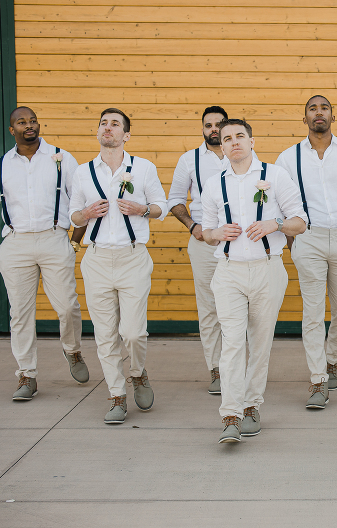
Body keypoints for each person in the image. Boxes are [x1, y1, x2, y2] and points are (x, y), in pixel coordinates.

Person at [202, 118, 307, 444]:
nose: (234, 142)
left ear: (251, 141)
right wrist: (217, 233)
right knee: (233, 343)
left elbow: (301, 221)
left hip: (267, 268)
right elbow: (206, 232)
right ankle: (230, 415)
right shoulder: (214, 184)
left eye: (239, 136)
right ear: (221, 146)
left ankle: (252, 406)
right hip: (229, 271)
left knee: (260, 343)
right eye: (227, 138)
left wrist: (275, 224)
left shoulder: (275, 176)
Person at [69, 108, 168, 424]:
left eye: (115, 124)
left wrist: (141, 209)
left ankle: (137, 373)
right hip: (97, 258)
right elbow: (73, 215)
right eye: (103, 123)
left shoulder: (143, 168)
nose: (107, 128)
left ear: (126, 135)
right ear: (98, 132)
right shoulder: (83, 172)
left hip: (132, 257)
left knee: (133, 332)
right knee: (104, 334)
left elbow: (161, 207)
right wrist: (85, 214)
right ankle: (116, 395)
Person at [276, 95, 337, 409]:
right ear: (304, 117)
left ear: (333, 115)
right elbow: (281, 205)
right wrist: (294, 243)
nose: (319, 113)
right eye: (312, 108)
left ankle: (332, 361)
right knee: (313, 312)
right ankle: (318, 379)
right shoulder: (288, 158)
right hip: (309, 238)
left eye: (324, 108)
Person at [0, 106, 88, 401]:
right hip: (16, 242)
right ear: (11, 129)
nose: (29, 125)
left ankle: (72, 350)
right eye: (21, 122)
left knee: (67, 307)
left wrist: (74, 242)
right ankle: (27, 374)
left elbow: (81, 203)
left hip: (54, 238)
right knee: (20, 313)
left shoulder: (61, 158)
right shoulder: (3, 164)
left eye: (33, 120)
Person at [168, 106, 229, 395]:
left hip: (239, 243)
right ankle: (216, 369)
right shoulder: (189, 159)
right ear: (203, 129)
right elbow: (175, 200)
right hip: (204, 242)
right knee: (209, 307)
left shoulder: (242, 154)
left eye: (219, 124)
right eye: (208, 125)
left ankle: (237, 366)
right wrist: (192, 226)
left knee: (242, 306)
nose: (214, 129)